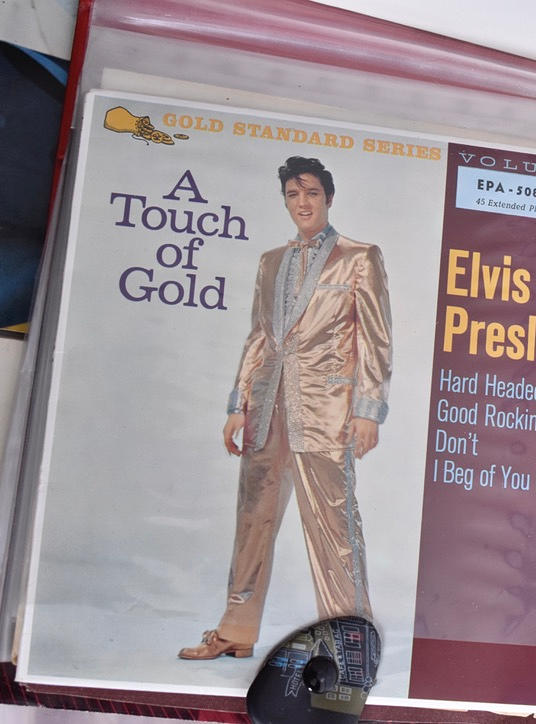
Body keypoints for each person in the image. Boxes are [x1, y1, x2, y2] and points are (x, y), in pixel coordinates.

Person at [179, 156, 393, 660]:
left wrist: (368, 410)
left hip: (326, 410)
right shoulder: (270, 261)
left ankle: (349, 642)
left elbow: (376, 339)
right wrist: (238, 403)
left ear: (328, 198)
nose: (303, 203)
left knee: (334, 528)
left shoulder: (359, 257)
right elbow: (259, 335)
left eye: (311, 193)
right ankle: (236, 631)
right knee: (253, 520)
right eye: (294, 195)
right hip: (266, 405)